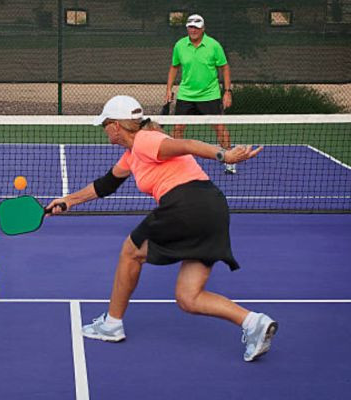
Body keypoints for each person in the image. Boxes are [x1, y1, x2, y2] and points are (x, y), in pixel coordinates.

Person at [47, 95, 278, 362]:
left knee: (130, 251)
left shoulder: (147, 140)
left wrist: (224, 155)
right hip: (211, 210)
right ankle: (254, 322)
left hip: (186, 204)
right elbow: (106, 185)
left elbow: (188, 144)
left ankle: (111, 323)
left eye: (105, 124)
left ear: (116, 126)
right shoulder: (133, 154)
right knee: (188, 297)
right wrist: (68, 201)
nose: (104, 130)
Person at [165, 14, 237, 174]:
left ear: (203, 29)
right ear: (187, 29)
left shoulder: (214, 45)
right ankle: (176, 160)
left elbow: (224, 67)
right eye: (190, 27)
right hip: (186, 95)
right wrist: (169, 89)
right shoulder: (180, 45)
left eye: (197, 27)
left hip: (210, 95)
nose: (193, 30)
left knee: (219, 127)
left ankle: (230, 160)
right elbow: (174, 67)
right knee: (177, 128)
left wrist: (227, 91)